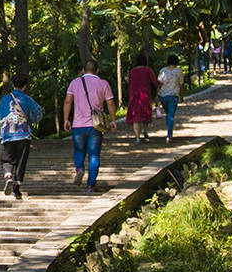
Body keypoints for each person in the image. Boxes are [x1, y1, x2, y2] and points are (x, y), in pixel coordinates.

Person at [63, 60, 116, 193]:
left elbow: (68, 101)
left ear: (83, 70)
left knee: (78, 150)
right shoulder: (103, 83)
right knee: (94, 155)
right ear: (97, 70)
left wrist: (66, 119)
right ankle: (91, 185)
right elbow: (110, 103)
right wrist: (113, 120)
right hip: (95, 125)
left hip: (77, 125)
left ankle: (79, 168)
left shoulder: (75, 83)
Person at [0, 73, 43, 200]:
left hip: (7, 135)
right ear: (25, 85)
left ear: (13, 84)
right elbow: (38, 112)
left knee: (7, 159)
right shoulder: (27, 99)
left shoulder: (5, 99)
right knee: (21, 162)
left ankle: (8, 176)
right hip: (23, 134)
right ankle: (17, 189)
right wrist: (32, 119)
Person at [124, 52, 160, 143]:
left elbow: (129, 82)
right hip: (145, 95)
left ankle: (137, 137)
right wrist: (161, 83)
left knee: (136, 117)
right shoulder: (148, 70)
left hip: (134, 96)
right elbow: (154, 82)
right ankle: (145, 130)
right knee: (145, 114)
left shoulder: (132, 71)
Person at [157, 54, 184, 143]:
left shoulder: (163, 71)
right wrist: (181, 96)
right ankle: (169, 135)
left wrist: (157, 95)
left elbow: (159, 84)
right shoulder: (179, 71)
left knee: (168, 114)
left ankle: (169, 132)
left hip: (163, 96)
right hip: (173, 96)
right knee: (170, 115)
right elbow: (181, 85)